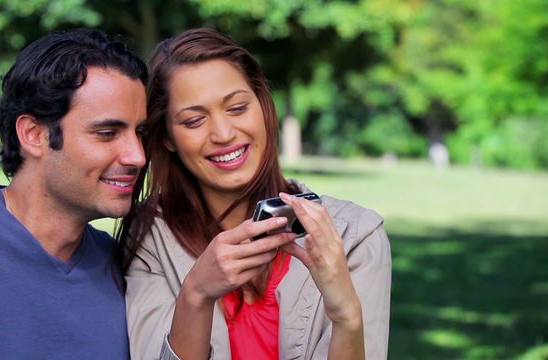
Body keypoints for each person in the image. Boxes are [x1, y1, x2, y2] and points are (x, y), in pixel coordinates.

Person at [120, 28, 392, 360]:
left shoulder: (356, 235)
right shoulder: (150, 238)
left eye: (236, 108)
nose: (223, 133)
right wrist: (196, 293)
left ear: (263, 107)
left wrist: (347, 318)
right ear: (167, 138)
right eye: (193, 121)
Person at [0, 28, 147, 359]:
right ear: (34, 134)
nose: (137, 156)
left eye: (139, 133)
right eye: (107, 133)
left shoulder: (118, 265)